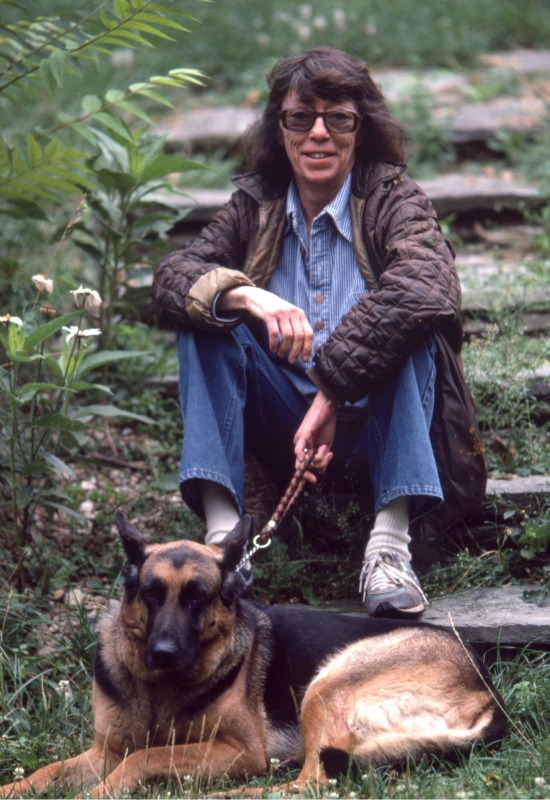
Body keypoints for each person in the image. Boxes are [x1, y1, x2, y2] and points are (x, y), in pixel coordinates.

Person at [152, 46, 484, 618]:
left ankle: (389, 548)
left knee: (411, 328)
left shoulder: (391, 198)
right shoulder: (253, 208)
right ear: (280, 129)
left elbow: (429, 287)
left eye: (340, 118)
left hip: (377, 428)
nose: (319, 134)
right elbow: (170, 278)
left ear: (363, 128)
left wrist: (332, 385)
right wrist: (245, 294)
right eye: (300, 117)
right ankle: (224, 541)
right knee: (206, 314)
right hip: (285, 431)